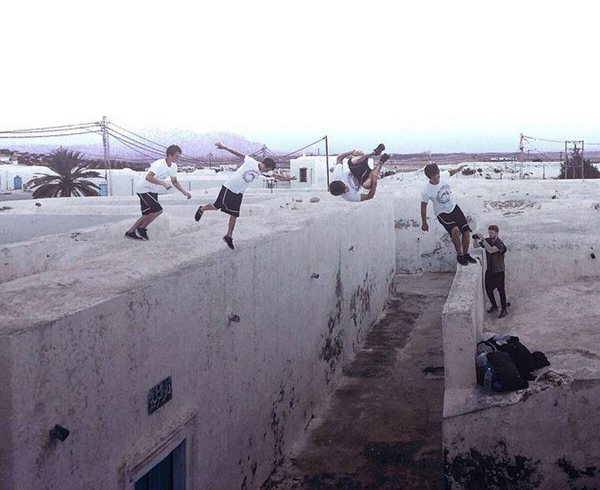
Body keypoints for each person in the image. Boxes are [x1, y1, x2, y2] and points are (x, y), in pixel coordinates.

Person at [194, 141, 295, 250]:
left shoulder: (263, 171)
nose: (268, 171)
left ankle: (229, 236)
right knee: (217, 206)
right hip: (229, 187)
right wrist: (224, 147)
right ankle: (202, 209)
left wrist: (288, 178)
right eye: (268, 169)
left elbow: (276, 176)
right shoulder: (250, 161)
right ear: (265, 165)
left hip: (239, 193)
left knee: (234, 214)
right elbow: (238, 153)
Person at [125, 145, 191, 240]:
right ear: (169, 155)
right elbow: (148, 177)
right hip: (143, 188)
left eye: (179, 156)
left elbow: (174, 181)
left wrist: (184, 192)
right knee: (158, 210)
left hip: (152, 189)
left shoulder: (173, 166)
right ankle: (141, 228)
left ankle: (130, 232)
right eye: (176, 156)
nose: (178, 158)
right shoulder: (159, 164)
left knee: (148, 214)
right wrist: (163, 183)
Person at [420, 162, 476, 266]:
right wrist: (424, 222)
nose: (437, 177)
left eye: (437, 174)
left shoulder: (444, 176)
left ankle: (466, 254)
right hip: (442, 213)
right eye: (434, 176)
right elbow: (423, 206)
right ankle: (460, 255)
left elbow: (451, 172)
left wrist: (459, 168)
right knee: (455, 231)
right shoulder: (426, 190)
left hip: (454, 207)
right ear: (429, 177)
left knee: (466, 230)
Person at [473, 225, 509, 318]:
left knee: (501, 291)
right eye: (489, 232)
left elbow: (491, 250)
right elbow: (475, 246)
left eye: (491, 233)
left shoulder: (500, 244)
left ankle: (504, 309)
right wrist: (475, 238)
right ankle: (494, 306)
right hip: (490, 270)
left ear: (497, 233)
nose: (489, 234)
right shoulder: (487, 241)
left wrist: (482, 238)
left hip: (499, 271)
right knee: (488, 289)